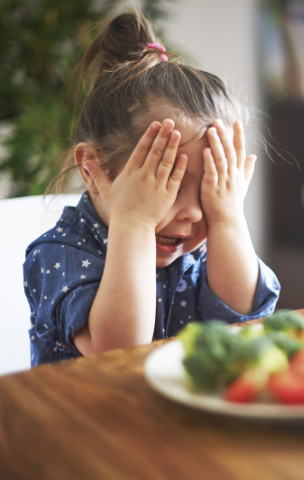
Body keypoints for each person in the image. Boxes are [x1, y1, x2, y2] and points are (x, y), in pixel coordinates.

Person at [23, 12, 280, 367]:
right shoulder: (59, 254)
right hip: (84, 417)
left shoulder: (204, 245)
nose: (193, 212)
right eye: (169, 187)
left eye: (209, 190)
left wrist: (227, 219)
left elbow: (244, 318)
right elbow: (119, 351)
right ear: (93, 171)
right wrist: (135, 223)